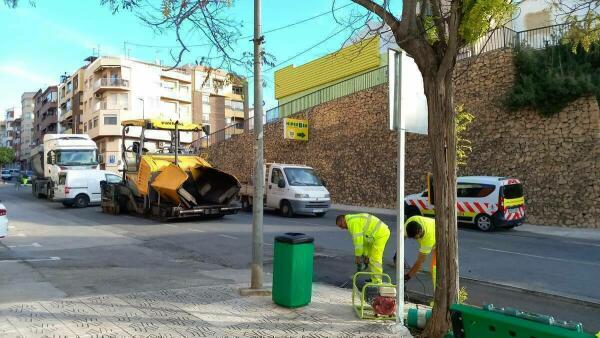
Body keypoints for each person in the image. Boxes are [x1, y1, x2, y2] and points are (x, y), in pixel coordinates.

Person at [336, 213, 390, 283]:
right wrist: (366, 255)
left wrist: (358, 257)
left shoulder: (352, 223)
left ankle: (377, 282)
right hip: (373, 236)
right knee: (370, 258)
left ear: (343, 220)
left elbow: (358, 242)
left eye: (341, 225)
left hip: (380, 234)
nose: (342, 228)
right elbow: (365, 241)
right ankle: (374, 279)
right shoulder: (352, 220)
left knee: (375, 259)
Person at [402, 215, 437, 290]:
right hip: (432, 225)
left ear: (420, 232)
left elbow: (420, 261)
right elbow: (402, 238)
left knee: (435, 268)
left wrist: (408, 276)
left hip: (440, 238)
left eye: (415, 238)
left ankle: (437, 293)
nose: (414, 240)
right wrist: (397, 254)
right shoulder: (411, 221)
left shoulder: (428, 240)